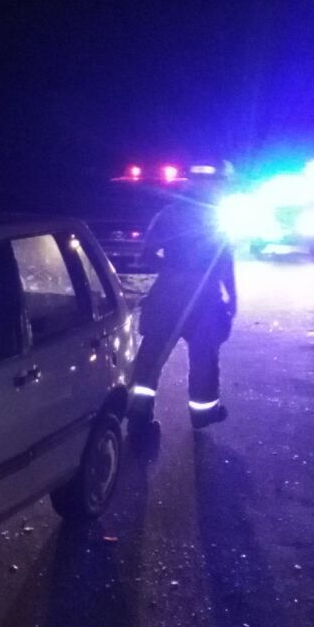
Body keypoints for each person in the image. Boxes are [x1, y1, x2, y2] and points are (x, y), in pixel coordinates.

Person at [127, 168, 237, 433]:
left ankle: (138, 415)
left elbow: (146, 254)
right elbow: (224, 262)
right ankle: (203, 415)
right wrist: (232, 296)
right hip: (205, 301)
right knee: (204, 360)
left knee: (150, 358)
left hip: (167, 297)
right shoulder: (217, 219)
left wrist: (171, 269)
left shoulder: (169, 214)